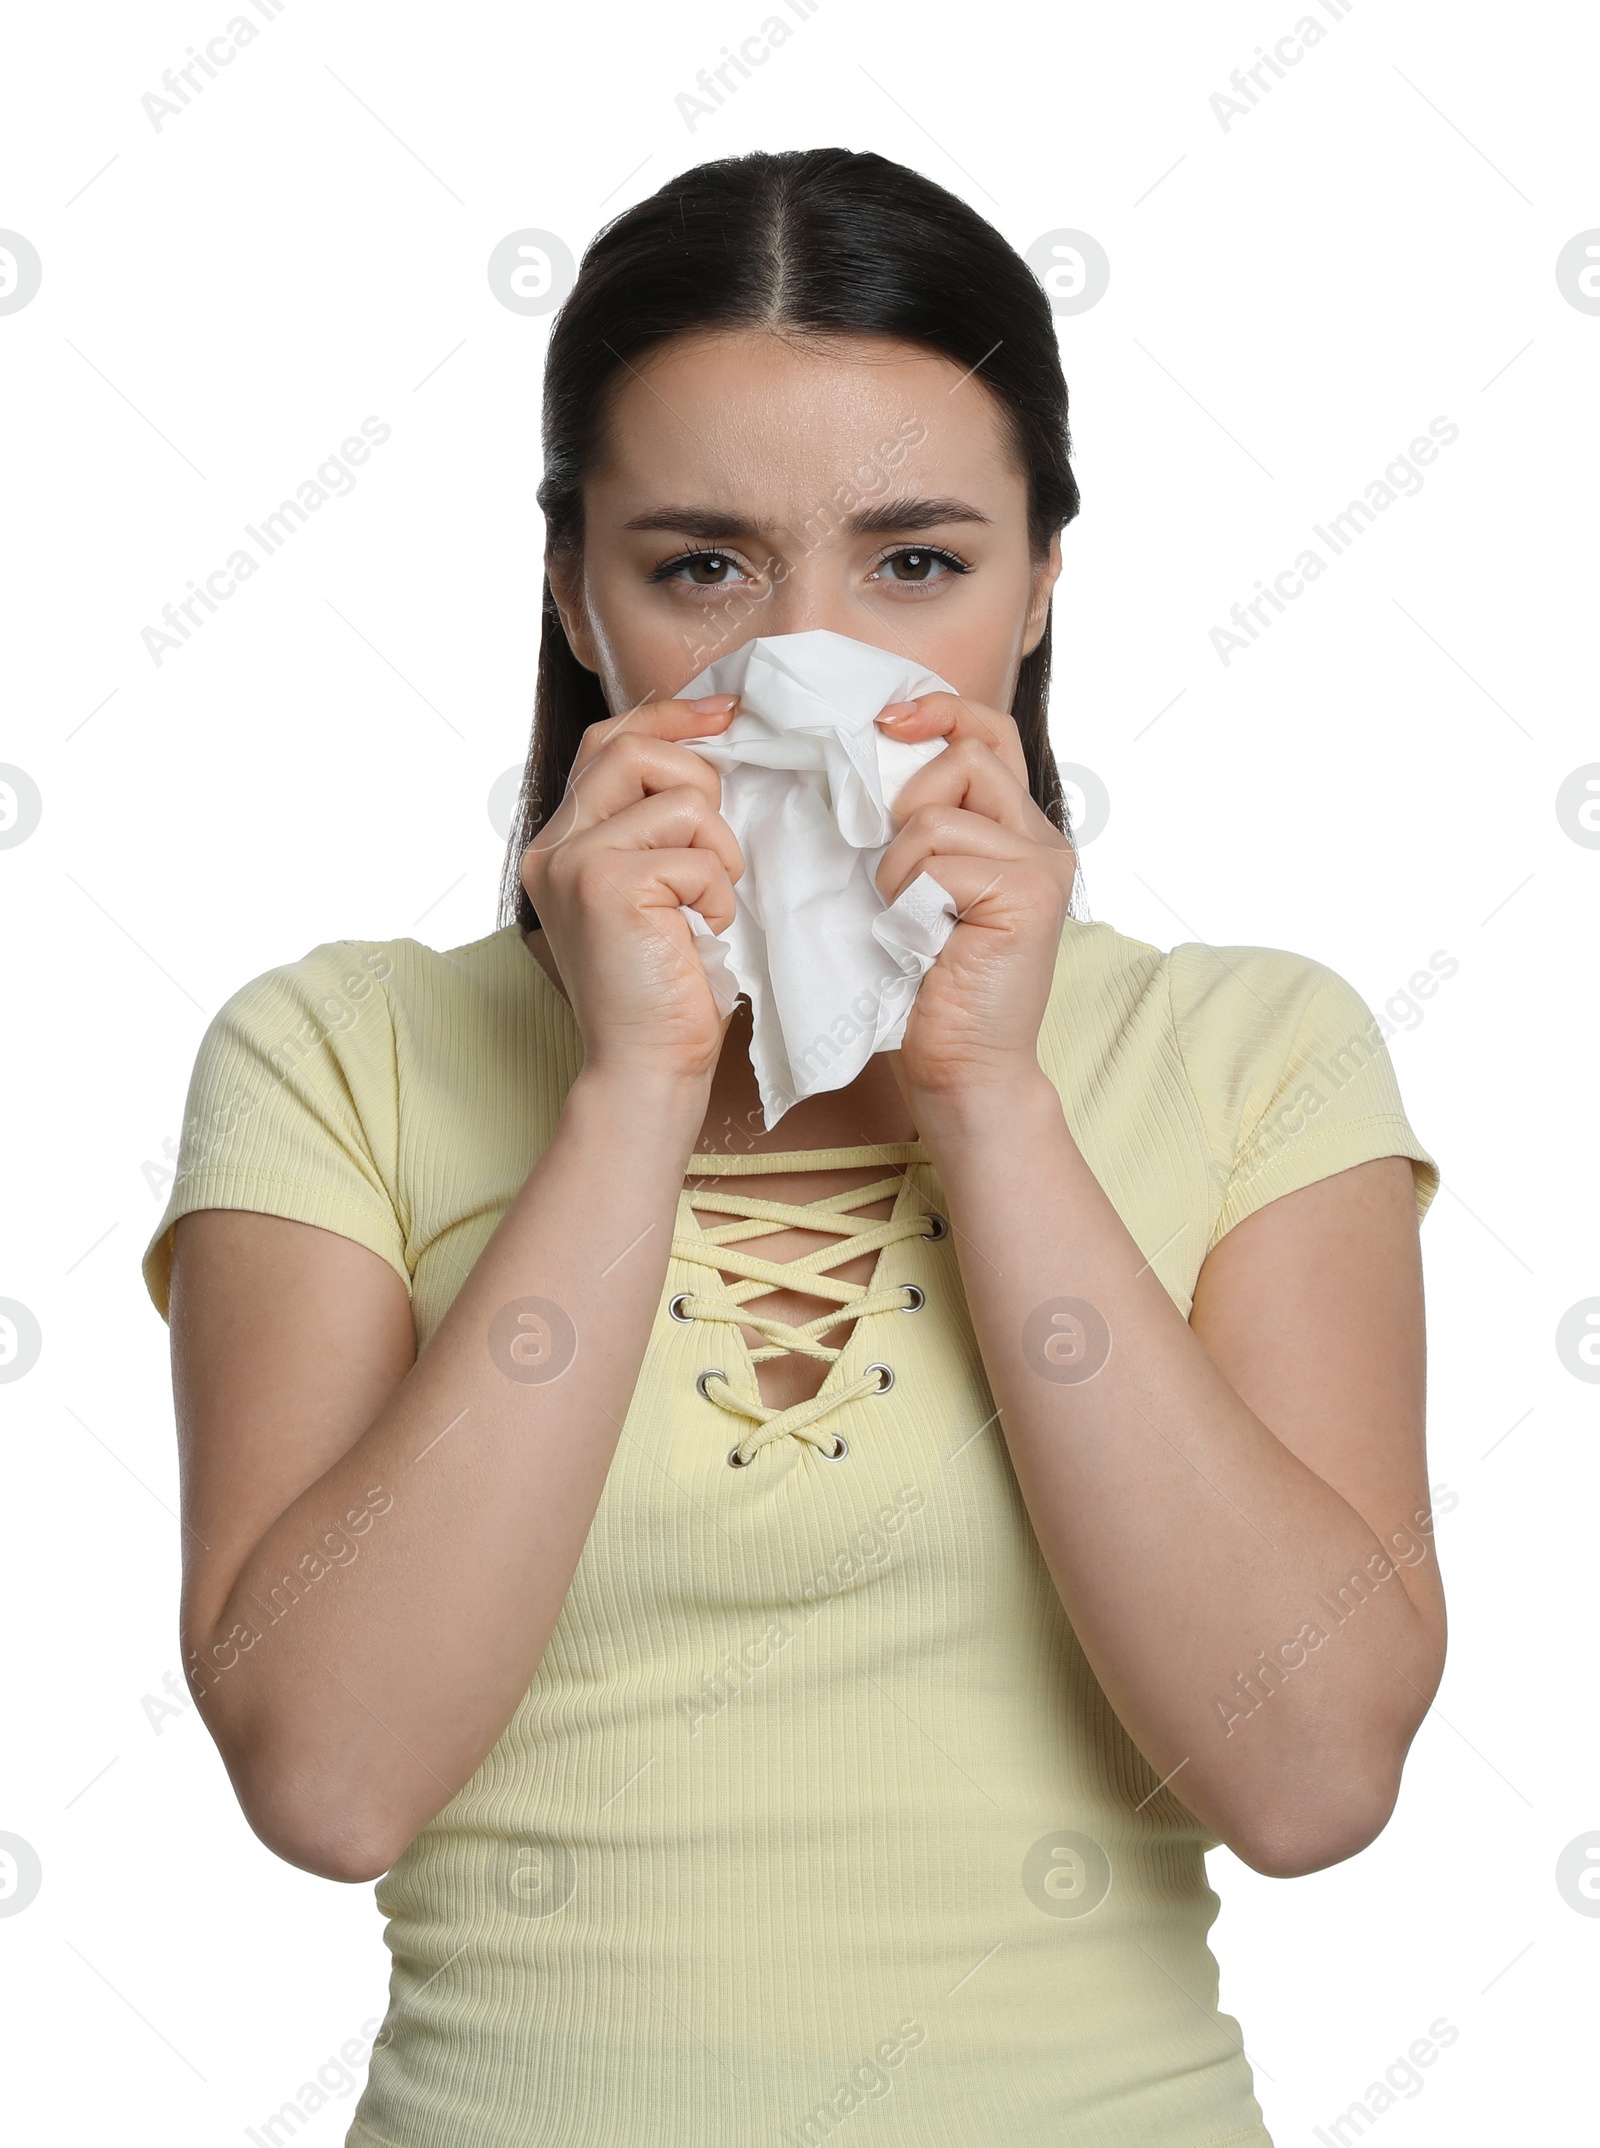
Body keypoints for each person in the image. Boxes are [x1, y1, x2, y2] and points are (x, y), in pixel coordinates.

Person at [141, 148, 1445, 2148]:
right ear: (576, 593)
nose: (801, 669)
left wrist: (988, 1096)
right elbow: (327, 1784)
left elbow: (1307, 1784)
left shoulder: (1248, 1054)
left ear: (1035, 591)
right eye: (701, 569)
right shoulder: (341, 1057)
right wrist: (628, 1095)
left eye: (912, 565)